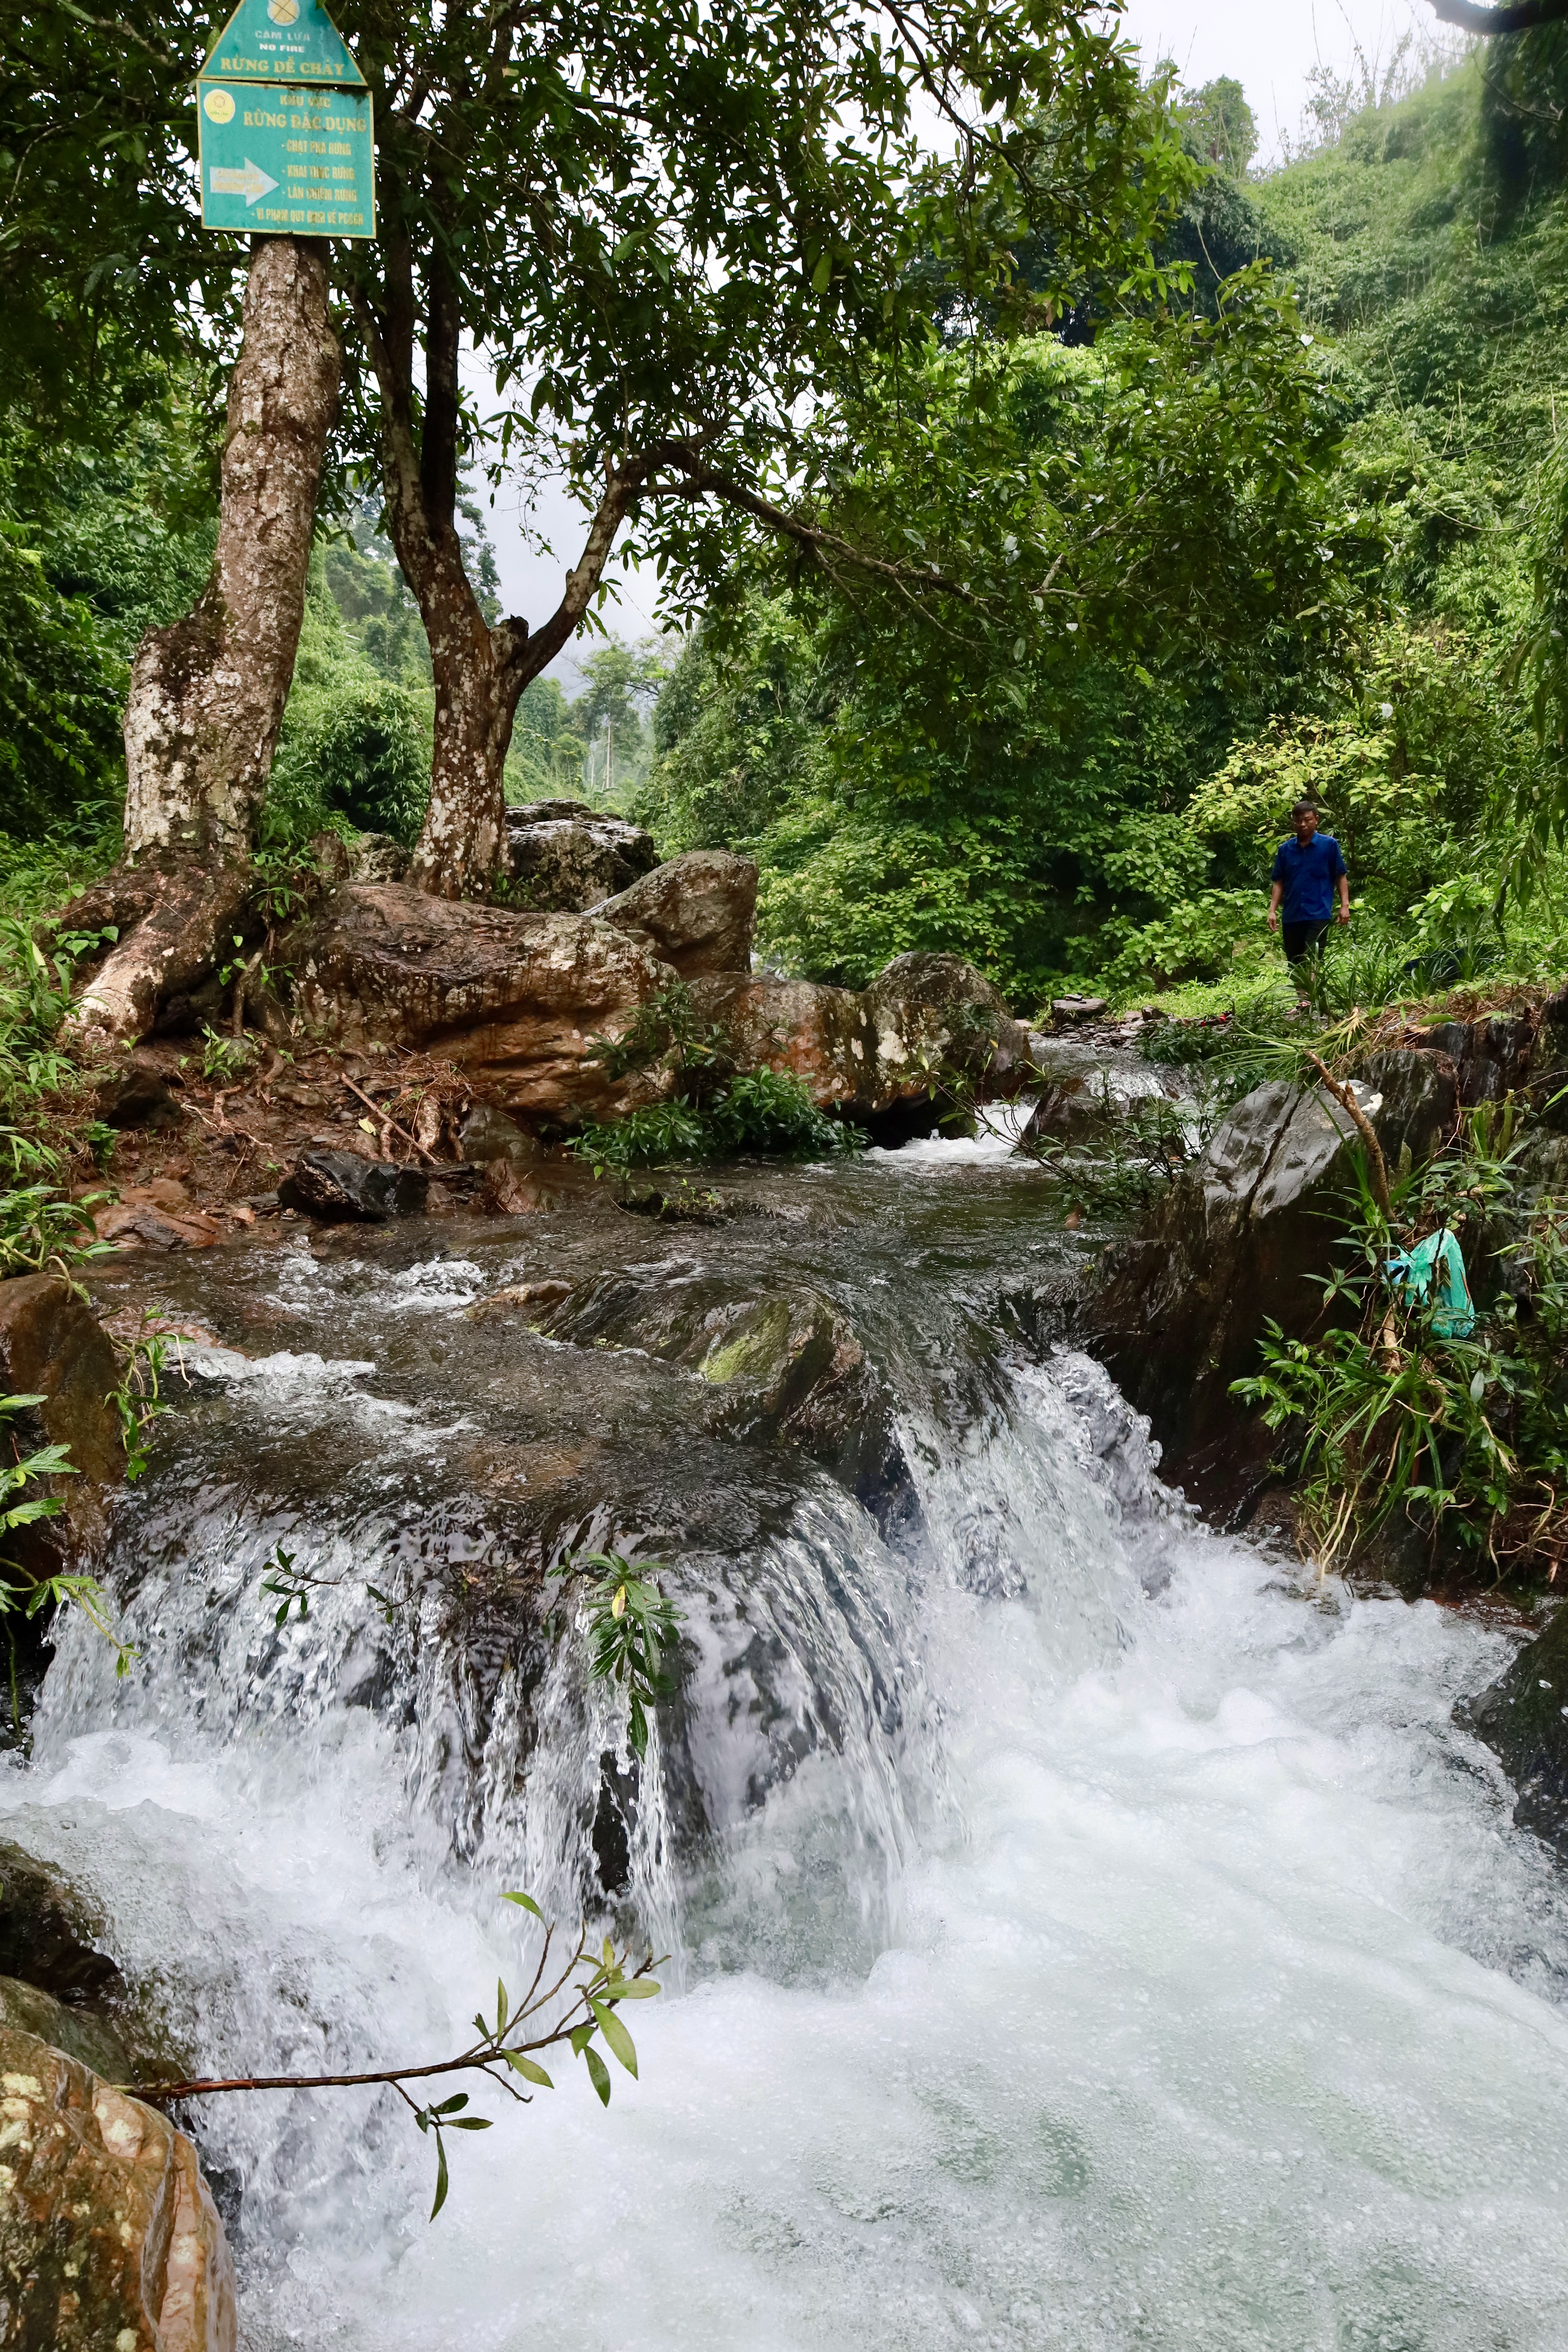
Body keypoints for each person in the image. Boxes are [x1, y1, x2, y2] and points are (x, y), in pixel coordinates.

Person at [1266, 800, 1349, 991]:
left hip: (1318, 912)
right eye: (1298, 821)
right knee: (1295, 961)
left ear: (1316, 820)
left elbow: (1340, 876)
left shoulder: (1329, 846)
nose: (1303, 824)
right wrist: (1272, 911)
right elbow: (1279, 882)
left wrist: (1345, 906)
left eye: (1307, 820)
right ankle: (1304, 1002)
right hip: (1292, 914)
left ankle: (1312, 1001)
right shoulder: (1285, 850)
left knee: (1313, 957)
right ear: (1293, 822)